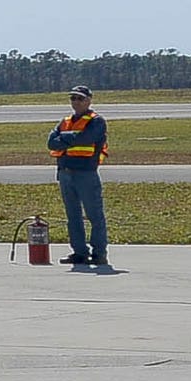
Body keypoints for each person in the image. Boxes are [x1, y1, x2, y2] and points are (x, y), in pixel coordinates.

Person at [47, 88, 109, 269]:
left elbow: (87, 137)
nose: (76, 102)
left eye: (80, 99)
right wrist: (73, 138)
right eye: (73, 98)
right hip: (66, 172)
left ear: (89, 101)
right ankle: (79, 252)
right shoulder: (65, 121)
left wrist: (64, 138)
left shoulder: (96, 121)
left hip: (86, 173)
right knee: (72, 216)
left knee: (94, 215)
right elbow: (51, 142)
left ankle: (99, 254)